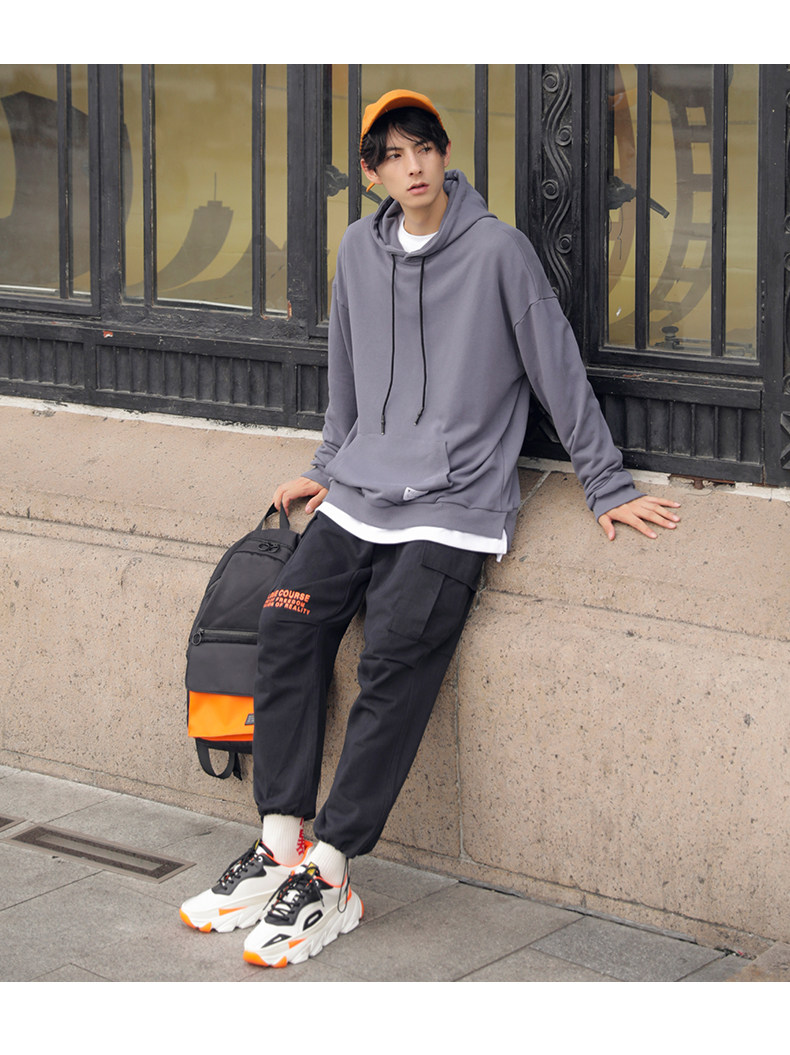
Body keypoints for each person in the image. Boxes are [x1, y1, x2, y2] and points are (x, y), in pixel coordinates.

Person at [179, 89, 680, 967]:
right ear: (371, 172)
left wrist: (606, 484)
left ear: (445, 155)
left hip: (454, 509)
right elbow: (347, 371)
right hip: (360, 490)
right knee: (287, 619)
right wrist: (328, 462)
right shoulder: (357, 251)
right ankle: (282, 841)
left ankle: (333, 871)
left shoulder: (498, 253)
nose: (413, 166)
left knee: (394, 654)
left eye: (426, 148)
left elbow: (556, 366)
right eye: (394, 155)